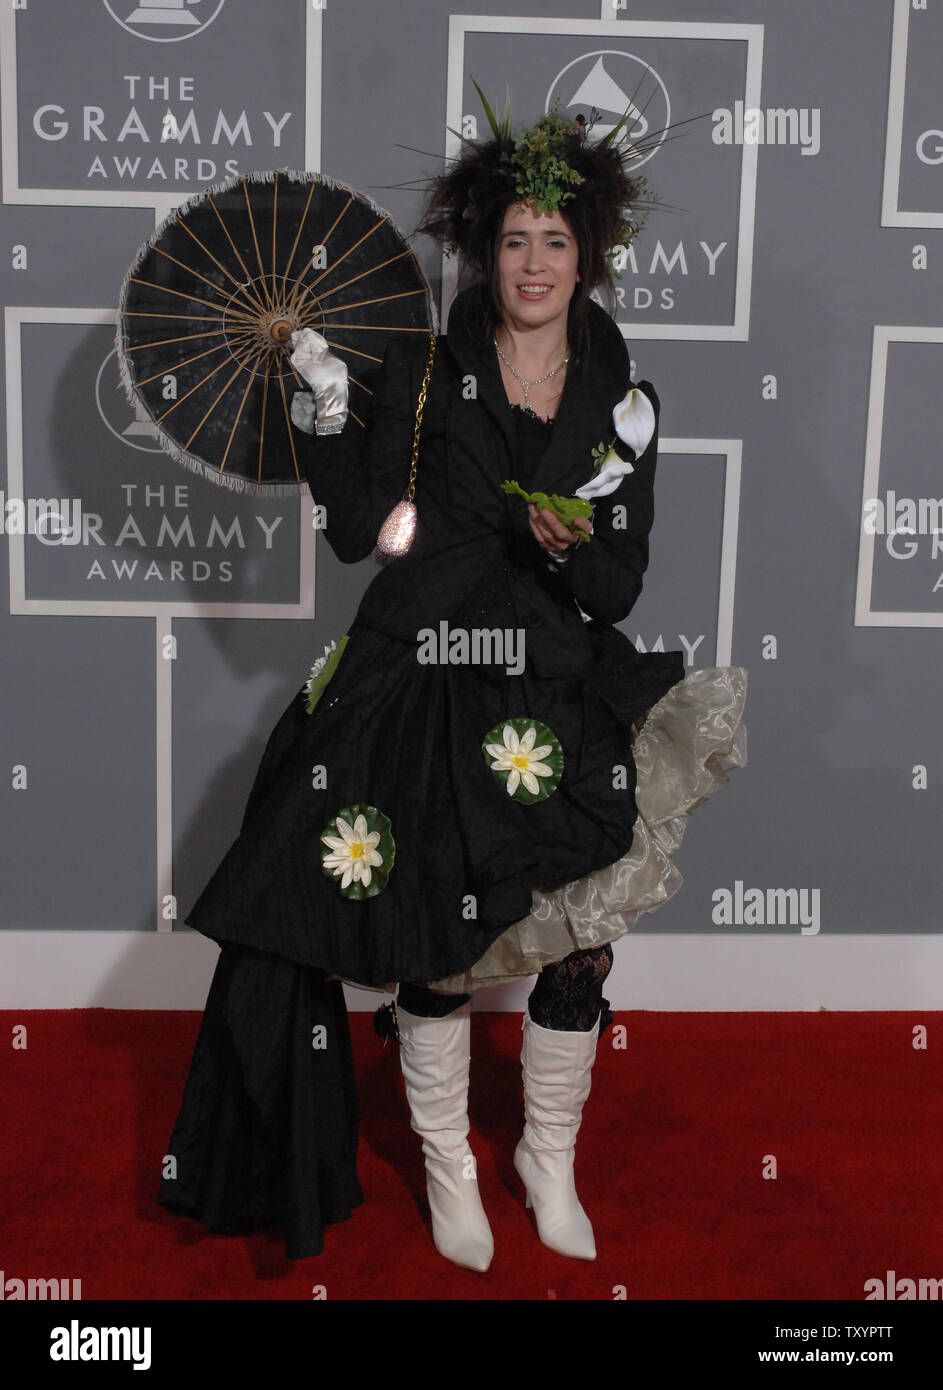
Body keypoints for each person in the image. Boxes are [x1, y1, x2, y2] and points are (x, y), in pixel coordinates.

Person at [157, 103, 746, 1273]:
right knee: (431, 941)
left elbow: (621, 585)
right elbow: (361, 534)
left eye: (554, 243)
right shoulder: (424, 369)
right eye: (515, 241)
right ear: (486, 251)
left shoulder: (625, 405)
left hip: (547, 673)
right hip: (423, 668)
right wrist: (325, 407)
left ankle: (547, 1156)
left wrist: (569, 544)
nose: (533, 265)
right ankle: (444, 1163)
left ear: (587, 258)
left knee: (578, 944)